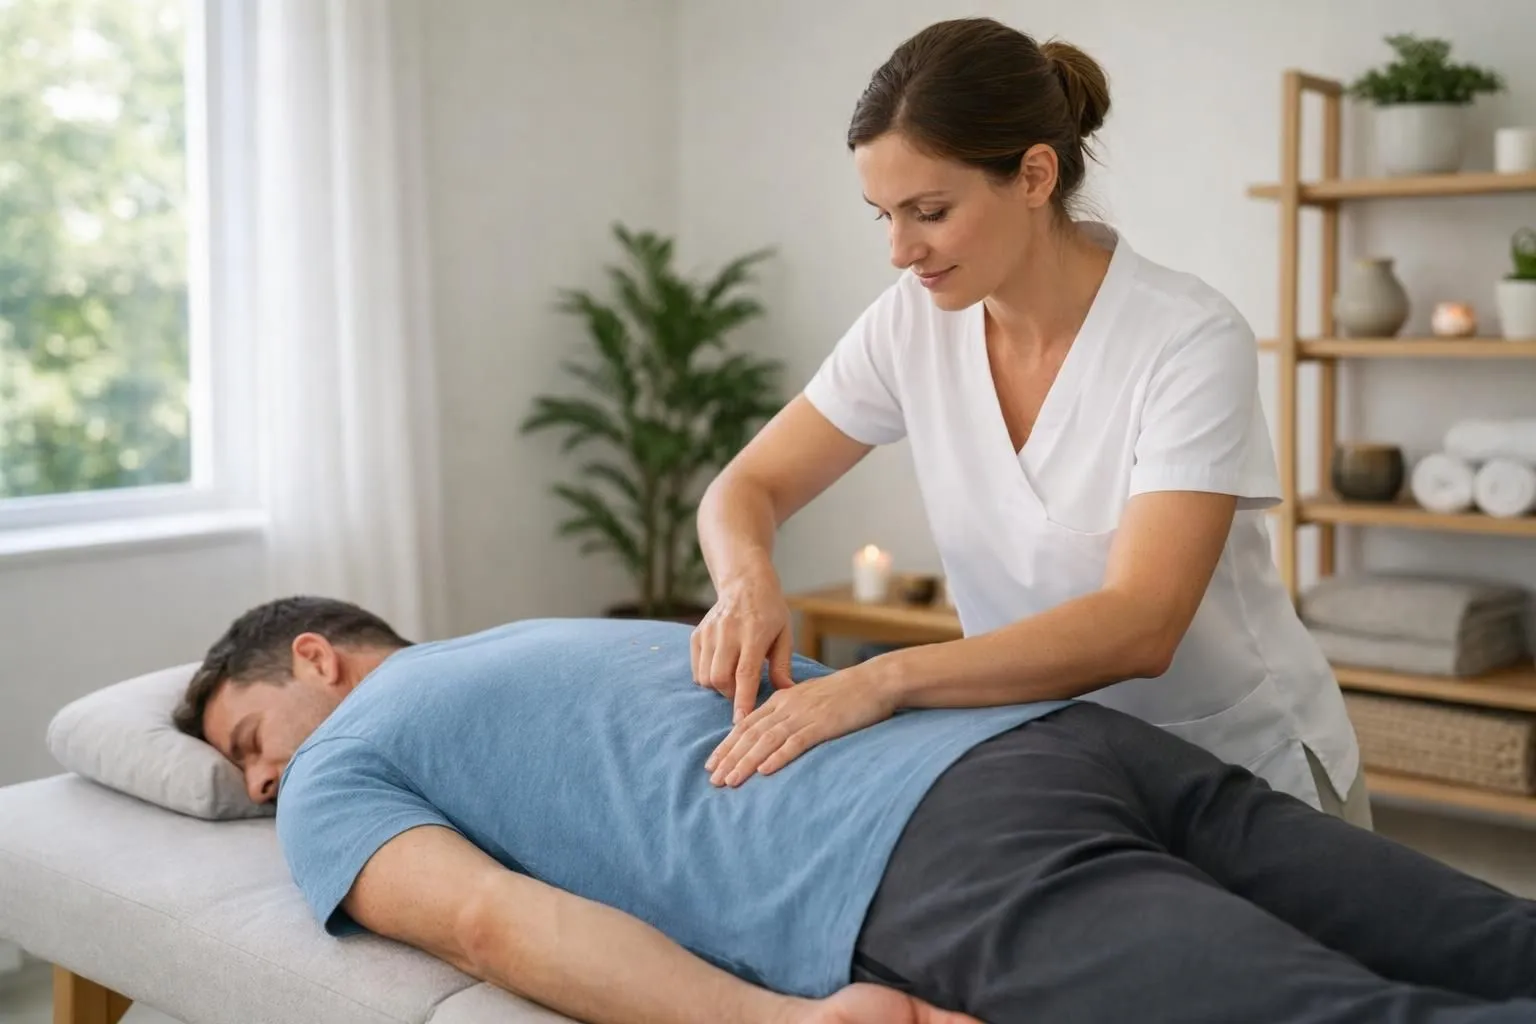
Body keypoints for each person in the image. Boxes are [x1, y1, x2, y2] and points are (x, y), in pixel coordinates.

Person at [174, 595, 1536, 1024]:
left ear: (318, 660)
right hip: (1062, 743)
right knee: (1491, 942)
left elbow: (486, 923)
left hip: (927, 855)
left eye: (247, 742)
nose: (263, 784)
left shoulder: (345, 763)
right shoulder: (552, 628)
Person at [691, 16, 1367, 826]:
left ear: (1036, 175)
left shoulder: (1186, 337)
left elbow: (1141, 624)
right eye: (884, 215)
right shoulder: (910, 323)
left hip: (1244, 772)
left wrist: (881, 678)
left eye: (930, 211)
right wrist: (744, 583)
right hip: (1063, 765)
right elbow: (749, 486)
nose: (901, 250)